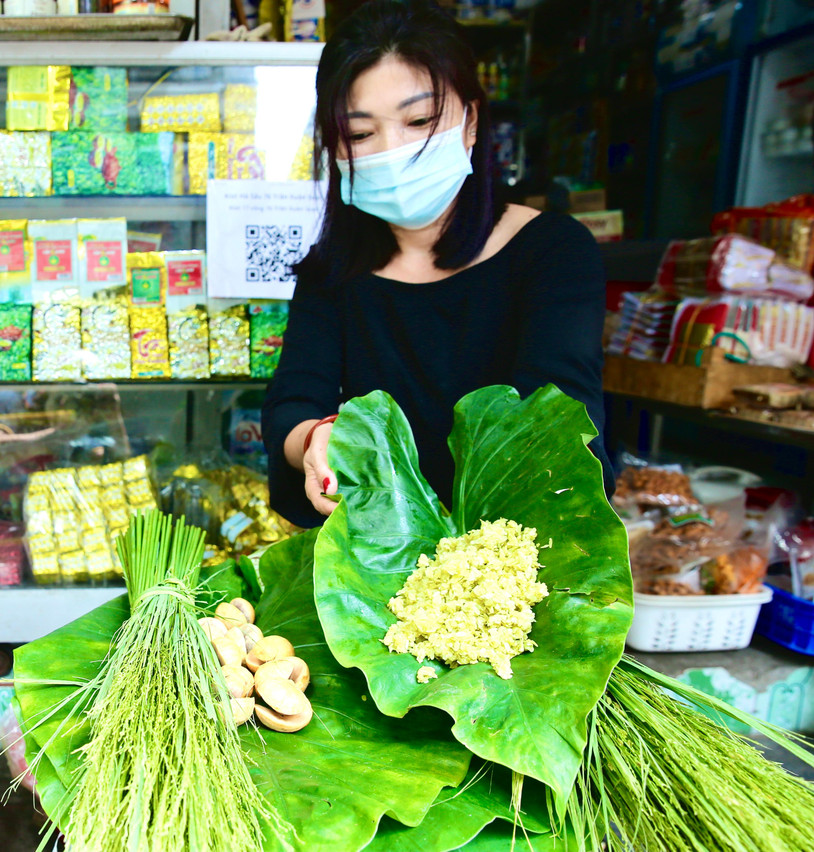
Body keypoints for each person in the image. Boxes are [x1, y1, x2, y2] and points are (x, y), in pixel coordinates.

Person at [263, 0, 614, 529]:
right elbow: (292, 404)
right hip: (373, 550)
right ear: (335, 147)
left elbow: (560, 425)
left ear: (471, 122)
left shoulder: (553, 252)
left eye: (420, 120)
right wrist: (315, 440)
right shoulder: (332, 271)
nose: (392, 149)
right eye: (361, 134)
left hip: (515, 561)